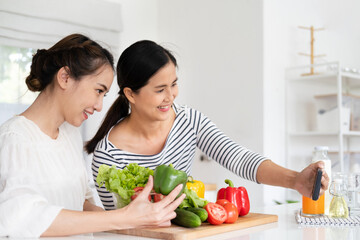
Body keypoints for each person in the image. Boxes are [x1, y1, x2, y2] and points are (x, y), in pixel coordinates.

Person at [85, 40, 330, 210]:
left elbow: (238, 158)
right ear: (130, 94)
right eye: (160, 89)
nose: (171, 96)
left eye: (174, 84)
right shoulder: (108, 155)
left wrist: (295, 179)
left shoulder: (188, 121)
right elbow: (119, 225)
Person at [0, 34, 185, 238]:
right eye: (98, 91)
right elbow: (24, 218)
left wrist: (139, 222)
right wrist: (124, 217)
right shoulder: (15, 138)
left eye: (103, 95)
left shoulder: (69, 134)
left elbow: (81, 204)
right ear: (65, 77)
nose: (99, 106)